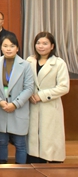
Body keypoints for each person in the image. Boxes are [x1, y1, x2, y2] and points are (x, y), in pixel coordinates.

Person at [0, 35, 34, 164]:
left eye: (12, 46)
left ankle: (21, 170)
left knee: (20, 143)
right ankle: (2, 168)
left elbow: (29, 88)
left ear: (17, 48)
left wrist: (15, 104)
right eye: (5, 46)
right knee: (1, 141)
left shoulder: (25, 65)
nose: (8, 49)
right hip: (1, 107)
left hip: (18, 108)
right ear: (1, 48)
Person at [27, 32, 70, 163]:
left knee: (50, 140)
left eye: (45, 43)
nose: (41, 46)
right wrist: (28, 94)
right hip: (32, 105)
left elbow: (64, 87)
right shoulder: (29, 61)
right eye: (38, 43)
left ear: (52, 46)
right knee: (33, 143)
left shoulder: (59, 63)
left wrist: (41, 95)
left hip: (50, 107)